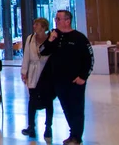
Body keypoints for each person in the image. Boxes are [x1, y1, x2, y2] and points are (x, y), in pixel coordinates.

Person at [40, 10, 93, 145]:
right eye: (56, 18)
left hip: (76, 80)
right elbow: (42, 51)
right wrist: (50, 39)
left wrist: (83, 76)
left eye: (59, 19)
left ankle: (76, 137)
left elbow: (89, 59)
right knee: (66, 108)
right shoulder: (55, 37)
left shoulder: (79, 38)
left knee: (76, 108)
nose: (56, 21)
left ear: (67, 21)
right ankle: (72, 133)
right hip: (59, 81)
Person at [21, 18, 55, 139]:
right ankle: (31, 126)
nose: (34, 26)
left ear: (44, 27)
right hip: (33, 71)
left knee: (48, 100)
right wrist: (24, 71)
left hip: (46, 72)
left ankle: (48, 127)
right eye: (34, 24)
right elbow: (26, 56)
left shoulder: (51, 39)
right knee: (32, 98)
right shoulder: (30, 38)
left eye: (37, 24)